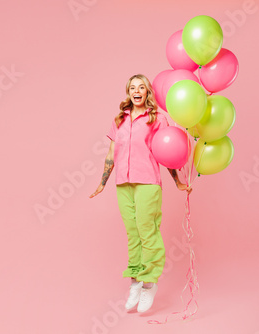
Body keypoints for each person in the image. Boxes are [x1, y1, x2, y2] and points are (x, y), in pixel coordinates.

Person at [89, 74, 192, 313]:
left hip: (148, 182)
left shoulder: (157, 119)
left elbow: (167, 153)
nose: (137, 91)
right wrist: (102, 183)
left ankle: (149, 284)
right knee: (132, 233)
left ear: (147, 92)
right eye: (133, 87)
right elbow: (111, 153)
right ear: (128, 92)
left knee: (148, 231)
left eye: (142, 87)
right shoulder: (119, 120)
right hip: (123, 183)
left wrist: (178, 181)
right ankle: (134, 282)